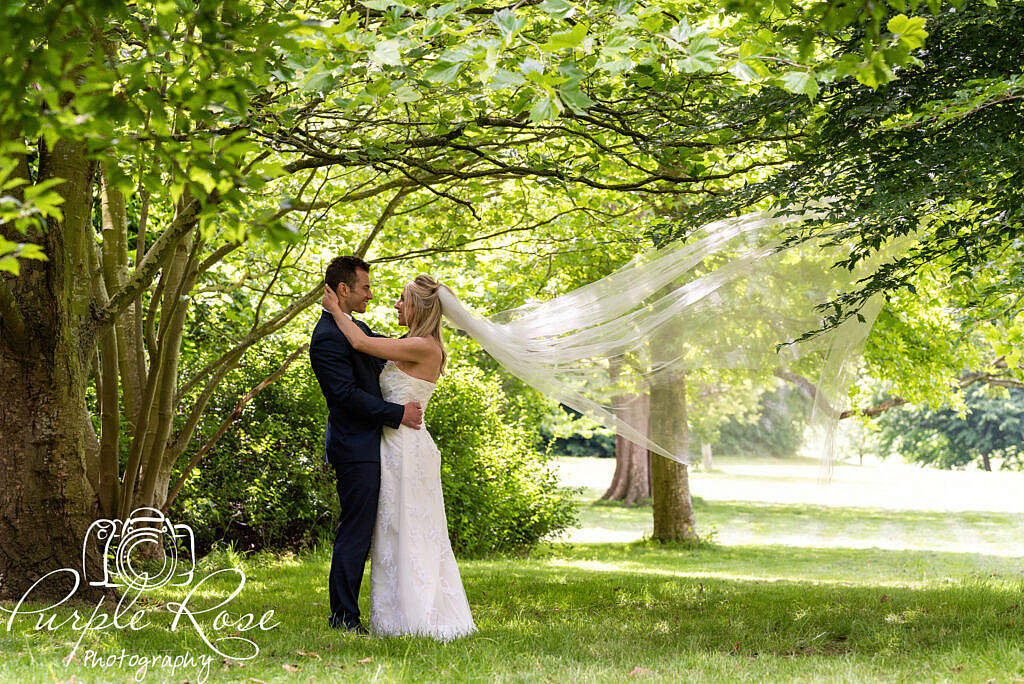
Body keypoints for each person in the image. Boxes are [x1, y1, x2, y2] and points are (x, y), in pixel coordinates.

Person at [321, 273, 476, 641]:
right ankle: (392, 616)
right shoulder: (410, 342)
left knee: (410, 529)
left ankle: (418, 614)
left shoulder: (424, 347)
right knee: (391, 530)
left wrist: (332, 310)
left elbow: (359, 342)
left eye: (402, 300)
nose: (395, 305)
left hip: (406, 449)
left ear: (419, 307)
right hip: (390, 446)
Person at [308, 256, 424, 634]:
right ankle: (343, 618)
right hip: (355, 447)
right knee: (355, 531)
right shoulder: (326, 337)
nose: (371, 295)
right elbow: (344, 395)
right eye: (365, 288)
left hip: (380, 446)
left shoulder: (355, 327)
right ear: (344, 290)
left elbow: (378, 365)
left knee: (370, 530)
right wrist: (396, 413)